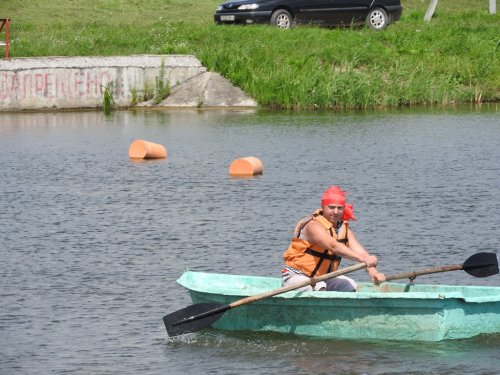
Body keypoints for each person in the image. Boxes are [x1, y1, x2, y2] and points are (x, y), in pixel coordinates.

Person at [281, 186, 385, 292]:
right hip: (297, 275)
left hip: (324, 277)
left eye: (339, 208)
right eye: (331, 207)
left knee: (350, 286)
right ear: (323, 207)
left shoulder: (344, 230)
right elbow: (333, 246)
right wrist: (362, 260)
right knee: (318, 286)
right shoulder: (313, 226)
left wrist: (373, 273)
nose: (336, 212)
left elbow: (362, 253)